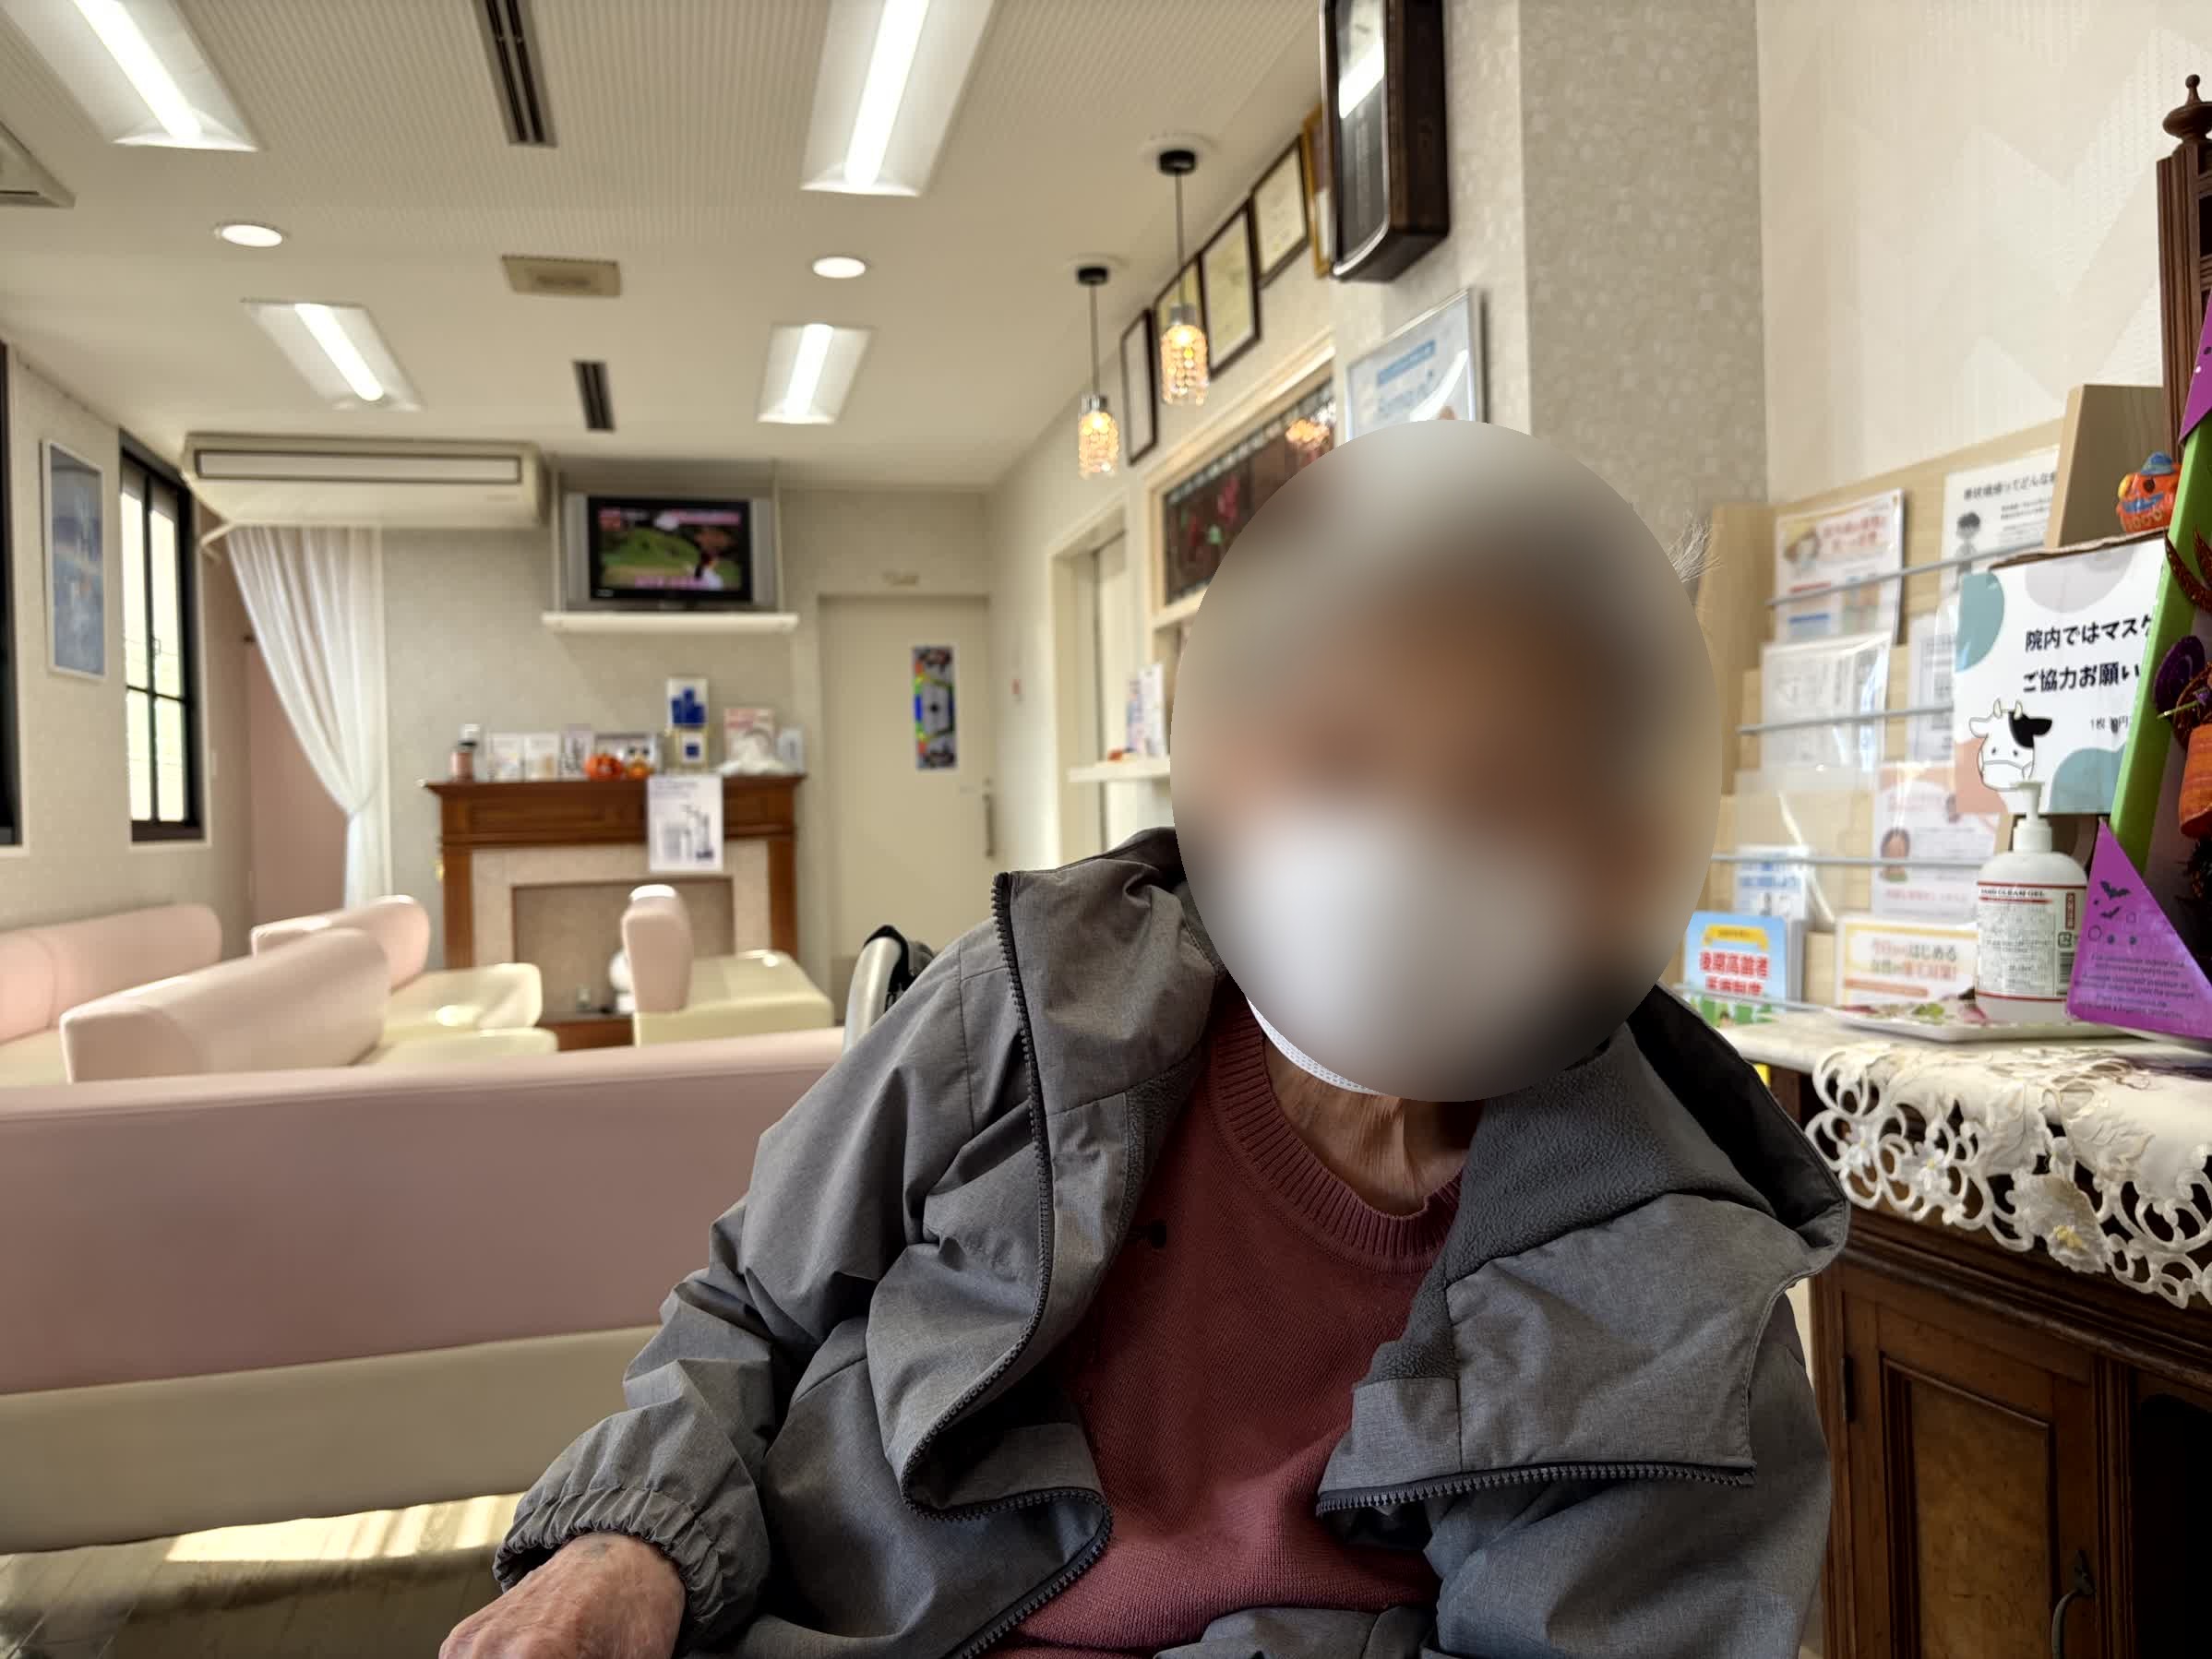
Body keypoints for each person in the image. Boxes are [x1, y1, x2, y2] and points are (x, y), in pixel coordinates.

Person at [444, 424, 1847, 1659]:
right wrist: (630, 1541)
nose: (1406, 844)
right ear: (1229, 762)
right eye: (1339, 759)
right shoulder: (1033, 1000)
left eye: (1499, 789)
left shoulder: (1680, 1298)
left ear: (1613, 854)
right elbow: (753, 1306)